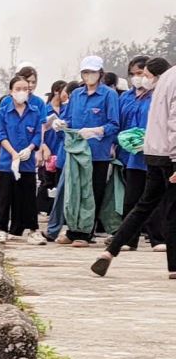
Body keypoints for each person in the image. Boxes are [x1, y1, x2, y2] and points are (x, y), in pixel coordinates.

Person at [92, 57, 176, 277]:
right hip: (169, 155)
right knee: (171, 211)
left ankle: (110, 251)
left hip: (153, 153)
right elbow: (174, 124)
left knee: (143, 206)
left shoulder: (162, 85)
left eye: (146, 75)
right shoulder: (172, 81)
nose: (143, 79)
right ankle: (174, 266)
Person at [50, 55, 121, 243]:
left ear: (100, 73)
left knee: (93, 192)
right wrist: (62, 124)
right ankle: (73, 230)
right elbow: (69, 119)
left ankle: (86, 233)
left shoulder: (109, 95)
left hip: (98, 153)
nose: (89, 75)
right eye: (85, 72)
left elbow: (114, 124)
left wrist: (97, 130)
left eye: (93, 72)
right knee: (75, 192)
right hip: (77, 152)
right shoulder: (76, 95)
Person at [0, 73, 45, 243]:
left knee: (28, 197)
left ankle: (33, 230)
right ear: (11, 91)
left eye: (25, 88)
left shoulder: (35, 112)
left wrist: (30, 149)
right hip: (7, 162)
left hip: (27, 162)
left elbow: (37, 134)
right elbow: (1, 135)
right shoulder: (3, 112)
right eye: (18, 89)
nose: (22, 91)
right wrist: (13, 153)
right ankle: (1, 228)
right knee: (4, 196)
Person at [116, 56, 156, 248]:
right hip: (132, 154)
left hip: (154, 152)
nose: (137, 78)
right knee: (131, 198)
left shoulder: (157, 95)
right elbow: (119, 123)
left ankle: (157, 238)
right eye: (133, 74)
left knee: (155, 196)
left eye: (141, 73)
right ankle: (128, 239)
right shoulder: (126, 97)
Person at [39, 80, 70, 237]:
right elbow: (39, 130)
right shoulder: (45, 109)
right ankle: (45, 211)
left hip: (62, 151)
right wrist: (43, 147)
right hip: (49, 151)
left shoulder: (66, 108)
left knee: (59, 185)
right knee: (47, 182)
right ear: (57, 91)